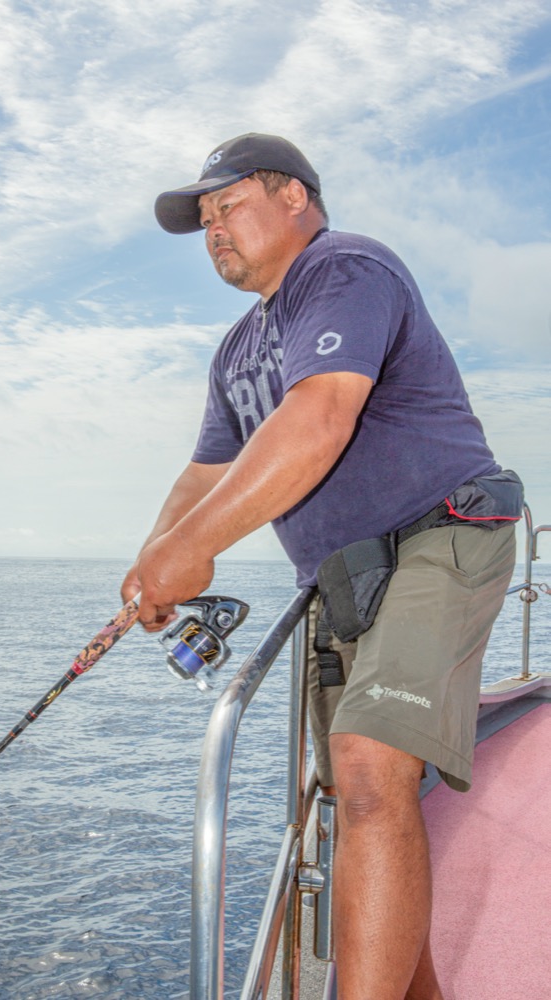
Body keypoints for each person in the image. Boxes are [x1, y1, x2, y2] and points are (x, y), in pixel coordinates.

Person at [121, 133, 520, 1000]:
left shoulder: (345, 269)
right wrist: (153, 562)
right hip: (344, 582)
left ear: (294, 197)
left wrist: (193, 549)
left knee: (371, 767)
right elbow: (203, 475)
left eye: (228, 206)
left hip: (441, 533)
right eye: (205, 220)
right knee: (360, 796)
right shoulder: (236, 352)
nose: (214, 230)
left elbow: (320, 417)